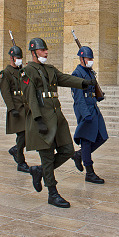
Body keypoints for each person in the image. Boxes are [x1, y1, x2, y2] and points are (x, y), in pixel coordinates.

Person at [21, 38, 96, 208]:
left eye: (46, 50)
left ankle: (39, 170)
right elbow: (30, 97)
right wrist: (38, 119)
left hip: (57, 117)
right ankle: (52, 193)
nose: (46, 52)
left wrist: (83, 83)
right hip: (41, 118)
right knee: (47, 156)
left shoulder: (50, 69)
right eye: (42, 50)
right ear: (34, 53)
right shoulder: (28, 71)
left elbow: (65, 79)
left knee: (68, 150)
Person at [70, 46, 108, 184]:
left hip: (93, 107)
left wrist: (99, 96)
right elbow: (78, 98)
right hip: (85, 109)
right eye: (89, 58)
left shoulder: (90, 72)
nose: (91, 60)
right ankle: (89, 172)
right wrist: (85, 114)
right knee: (86, 140)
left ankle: (79, 154)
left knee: (102, 136)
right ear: (81, 59)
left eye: (92, 58)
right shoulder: (77, 74)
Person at [0, 45, 29, 172]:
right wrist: (11, 109)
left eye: (20, 57)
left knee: (29, 132)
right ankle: (21, 162)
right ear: (11, 58)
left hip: (25, 106)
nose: (19, 59)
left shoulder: (21, 71)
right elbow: (5, 93)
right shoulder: (5, 73)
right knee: (22, 134)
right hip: (16, 107)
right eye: (17, 57)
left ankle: (16, 149)